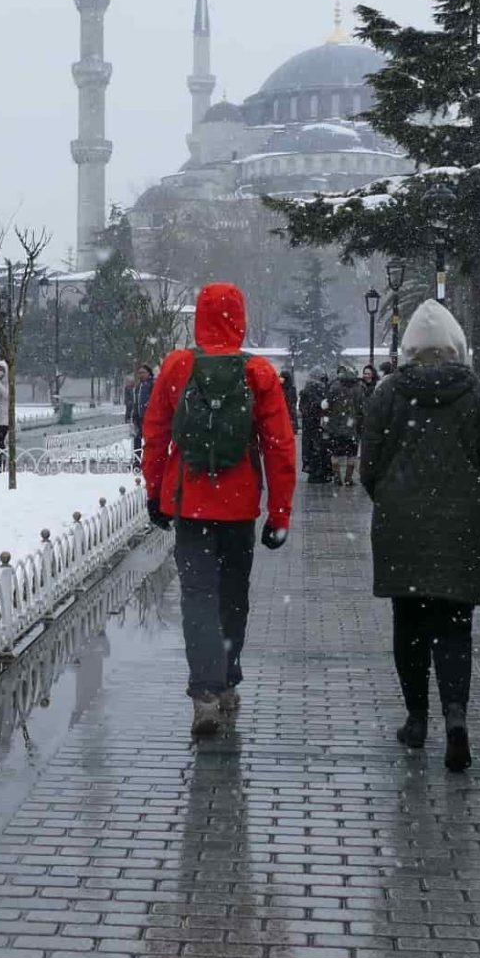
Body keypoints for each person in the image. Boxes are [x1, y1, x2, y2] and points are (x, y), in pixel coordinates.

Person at [142, 282, 298, 741]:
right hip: (239, 507)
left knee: (196, 597)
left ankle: (204, 694)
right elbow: (280, 448)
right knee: (233, 596)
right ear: (241, 318)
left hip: (191, 505)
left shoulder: (176, 366)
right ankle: (227, 679)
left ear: (200, 319)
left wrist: (155, 493)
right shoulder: (259, 373)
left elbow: (155, 436)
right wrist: (280, 512)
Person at [360, 301, 480, 772]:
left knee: (409, 625)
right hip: (458, 528)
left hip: (401, 526)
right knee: (455, 628)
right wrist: (471, 507)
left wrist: (392, 498)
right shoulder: (478, 396)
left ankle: (417, 718)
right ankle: (457, 717)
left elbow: (369, 464)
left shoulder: (388, 394)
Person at [327, 365, 366, 487]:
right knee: (352, 454)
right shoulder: (359, 388)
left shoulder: (334, 386)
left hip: (336, 426)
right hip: (352, 427)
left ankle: (337, 477)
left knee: (335, 453)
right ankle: (348, 478)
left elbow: (328, 404)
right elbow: (362, 408)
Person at [298, 369, 334, 485]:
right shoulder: (322, 389)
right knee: (321, 448)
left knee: (312, 449)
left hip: (310, 425)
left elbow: (303, 408)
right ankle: (322, 472)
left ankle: (314, 471)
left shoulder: (307, 390)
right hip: (319, 424)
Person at [126, 362, 154, 464]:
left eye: (143, 372)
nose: (140, 375)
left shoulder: (152, 384)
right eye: (139, 373)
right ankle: (136, 461)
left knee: (149, 441)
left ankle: (150, 461)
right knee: (137, 439)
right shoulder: (138, 386)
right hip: (138, 418)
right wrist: (133, 415)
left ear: (148, 373)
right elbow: (135, 402)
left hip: (148, 418)